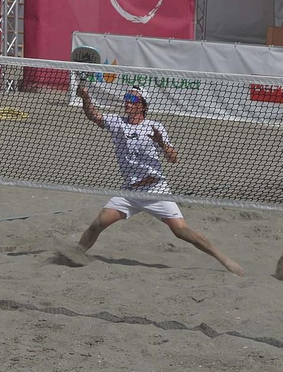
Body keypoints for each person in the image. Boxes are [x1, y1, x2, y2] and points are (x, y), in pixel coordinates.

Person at [74, 84, 243, 275]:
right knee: (98, 223)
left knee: (181, 231)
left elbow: (173, 158)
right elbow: (93, 115)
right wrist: (85, 97)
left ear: (143, 105)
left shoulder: (154, 127)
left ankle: (224, 259)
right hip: (130, 191)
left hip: (155, 189)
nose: (127, 102)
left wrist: (160, 142)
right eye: (126, 98)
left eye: (133, 99)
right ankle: (75, 255)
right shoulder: (117, 122)